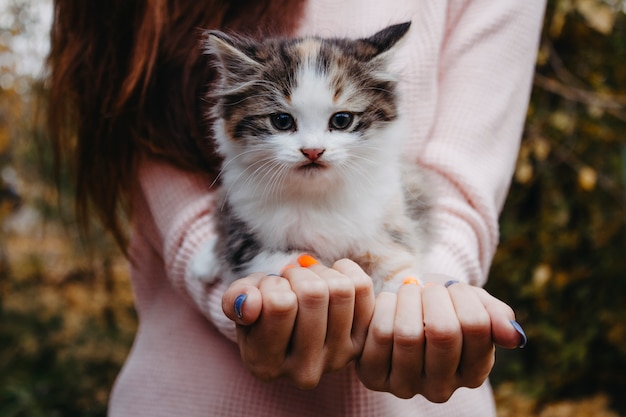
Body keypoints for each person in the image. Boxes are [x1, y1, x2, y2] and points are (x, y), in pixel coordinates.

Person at [47, 0, 546, 416]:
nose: (313, 147)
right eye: (283, 122)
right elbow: (146, 143)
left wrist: (425, 309)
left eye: (341, 121)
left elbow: (459, 195)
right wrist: (242, 292)